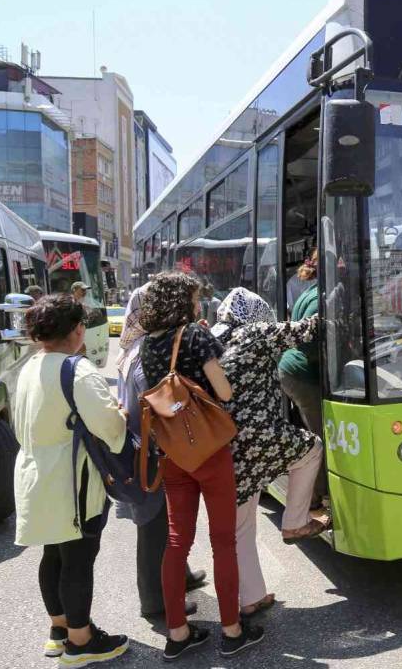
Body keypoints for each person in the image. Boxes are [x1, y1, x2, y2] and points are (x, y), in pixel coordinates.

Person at [138, 271, 264, 660]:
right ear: (183, 302)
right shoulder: (195, 335)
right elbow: (223, 390)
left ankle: (177, 633)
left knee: (177, 542)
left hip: (173, 452)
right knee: (223, 540)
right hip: (209, 449)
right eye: (194, 298)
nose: (198, 305)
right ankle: (231, 629)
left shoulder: (149, 343)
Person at [12, 294, 129, 664]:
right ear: (78, 330)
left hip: (34, 472)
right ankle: (82, 643)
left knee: (53, 553)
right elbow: (110, 427)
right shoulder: (76, 370)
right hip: (71, 478)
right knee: (79, 557)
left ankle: (59, 630)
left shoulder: (29, 366)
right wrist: (123, 415)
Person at [211, 288, 326, 618]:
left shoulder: (215, 337)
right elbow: (310, 328)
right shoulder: (255, 332)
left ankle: (251, 597)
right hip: (259, 435)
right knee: (311, 448)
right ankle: (295, 521)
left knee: (242, 527)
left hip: (226, 445)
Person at [115, 285, 206, 619]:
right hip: (149, 452)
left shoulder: (133, 344)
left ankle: (179, 576)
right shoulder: (144, 351)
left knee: (165, 523)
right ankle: (155, 601)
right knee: (154, 528)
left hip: (144, 448)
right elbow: (156, 402)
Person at [278, 254, 329, 504]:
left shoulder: (311, 291)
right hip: (300, 373)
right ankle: (315, 497)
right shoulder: (323, 297)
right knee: (320, 438)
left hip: (292, 370)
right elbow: (309, 344)